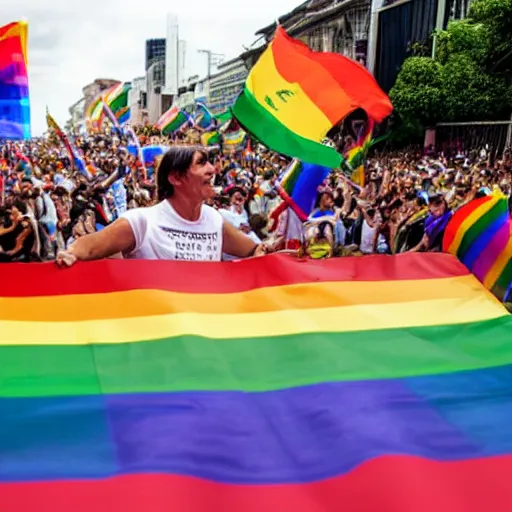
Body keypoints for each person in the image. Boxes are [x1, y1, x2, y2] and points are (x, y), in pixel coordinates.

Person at [56, 146, 267, 266]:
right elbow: (90, 246)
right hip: (157, 338)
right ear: (176, 177)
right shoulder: (142, 222)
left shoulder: (214, 220)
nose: (213, 169)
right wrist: (71, 253)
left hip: (202, 337)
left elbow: (254, 251)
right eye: (201, 163)